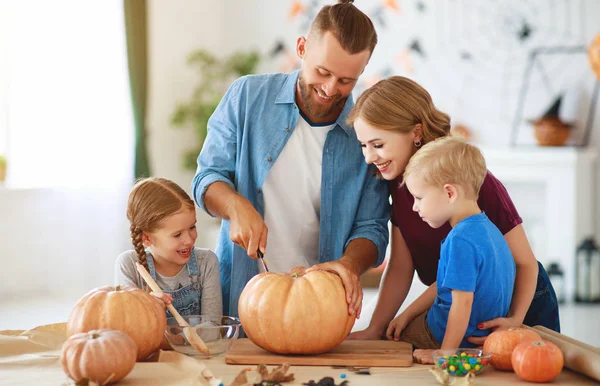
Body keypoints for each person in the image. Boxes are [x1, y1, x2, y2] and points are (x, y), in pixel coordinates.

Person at [192, 0, 390, 318]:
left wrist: (348, 265)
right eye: (322, 72)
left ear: (362, 72)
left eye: (345, 80)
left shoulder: (366, 137)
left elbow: (373, 227)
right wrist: (235, 206)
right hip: (242, 298)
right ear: (301, 48)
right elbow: (207, 178)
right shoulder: (246, 97)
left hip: (320, 308)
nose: (329, 88)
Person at [348, 76, 560, 345]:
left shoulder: (475, 182)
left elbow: (525, 263)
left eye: (378, 145)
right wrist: (376, 328)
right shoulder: (398, 183)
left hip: (518, 300)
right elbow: (402, 266)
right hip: (464, 304)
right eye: (363, 146)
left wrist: (516, 320)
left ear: (416, 132)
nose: (368, 157)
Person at [390, 136, 516, 363]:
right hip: (482, 338)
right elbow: (447, 284)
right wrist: (407, 313)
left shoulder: (460, 240)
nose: (414, 206)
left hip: (445, 336)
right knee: (404, 322)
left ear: (449, 193)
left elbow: (462, 303)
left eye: (419, 197)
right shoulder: (490, 231)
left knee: (389, 340)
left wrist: (446, 353)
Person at [114, 177, 222, 320]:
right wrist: (149, 312)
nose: (189, 240)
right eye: (177, 235)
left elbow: (213, 327)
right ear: (146, 238)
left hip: (196, 344)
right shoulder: (129, 265)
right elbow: (128, 329)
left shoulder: (206, 262)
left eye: (192, 227)